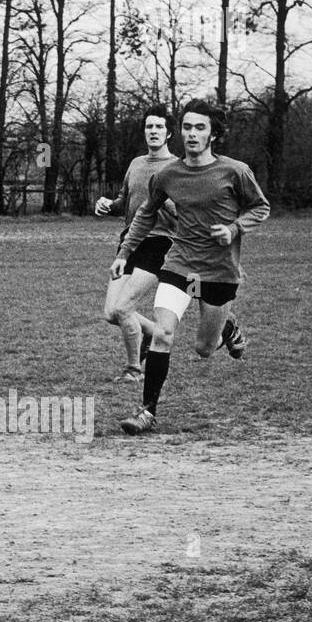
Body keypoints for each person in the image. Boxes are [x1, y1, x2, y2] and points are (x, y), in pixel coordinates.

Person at [111, 99, 270, 435]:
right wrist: (125, 252)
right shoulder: (168, 174)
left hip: (218, 269)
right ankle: (146, 412)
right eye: (187, 127)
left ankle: (226, 327)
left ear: (214, 134)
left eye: (200, 127)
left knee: (204, 349)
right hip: (180, 262)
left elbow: (260, 207)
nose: (192, 133)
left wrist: (234, 229)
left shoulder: (235, 171)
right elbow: (146, 214)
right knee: (164, 333)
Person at [93, 105, 178, 383]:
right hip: (129, 242)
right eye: (149, 127)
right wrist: (109, 205)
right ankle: (153, 332)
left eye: (159, 127)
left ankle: (133, 370)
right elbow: (125, 203)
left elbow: (183, 215)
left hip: (159, 243)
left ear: (169, 133)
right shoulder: (136, 164)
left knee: (123, 308)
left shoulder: (177, 168)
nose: (153, 131)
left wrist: (162, 200)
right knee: (110, 313)